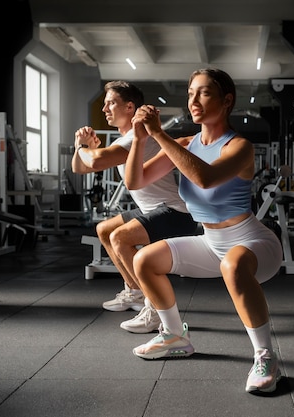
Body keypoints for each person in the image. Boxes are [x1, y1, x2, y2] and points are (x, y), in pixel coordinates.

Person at [125, 68, 283, 394]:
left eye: (204, 93)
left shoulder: (239, 146)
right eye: (190, 93)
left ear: (226, 101)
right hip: (211, 243)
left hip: (252, 242)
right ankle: (175, 337)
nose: (193, 100)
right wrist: (140, 140)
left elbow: (206, 178)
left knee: (234, 265)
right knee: (145, 261)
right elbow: (134, 181)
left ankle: (265, 356)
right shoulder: (184, 143)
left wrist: (158, 135)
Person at [72, 81, 198, 333]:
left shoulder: (136, 138)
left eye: (111, 103)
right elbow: (80, 167)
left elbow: (94, 161)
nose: (105, 108)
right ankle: (135, 291)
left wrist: (86, 147)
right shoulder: (125, 138)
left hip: (175, 211)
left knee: (120, 237)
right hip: (153, 208)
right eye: (105, 103)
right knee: (105, 229)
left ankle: (154, 309)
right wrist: (81, 147)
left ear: (130, 107)